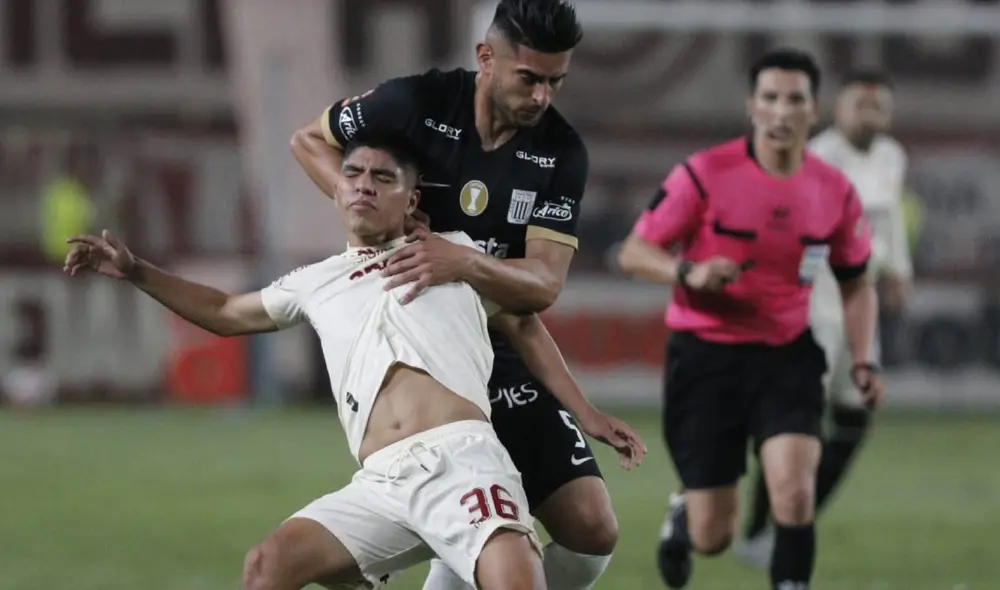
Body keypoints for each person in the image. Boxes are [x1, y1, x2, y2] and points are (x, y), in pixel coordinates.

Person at [62, 136, 642, 590]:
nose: (363, 186)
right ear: (337, 191)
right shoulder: (315, 281)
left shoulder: (452, 253)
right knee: (266, 565)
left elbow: (523, 320)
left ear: (411, 200)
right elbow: (224, 310)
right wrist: (138, 271)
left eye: (382, 177)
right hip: (381, 482)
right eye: (353, 175)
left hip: (465, 463)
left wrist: (585, 411)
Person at [291, 1, 643, 588]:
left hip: (501, 341)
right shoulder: (415, 104)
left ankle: (453, 567)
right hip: (422, 351)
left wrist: (466, 261)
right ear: (486, 57)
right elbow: (307, 140)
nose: (541, 97)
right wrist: (383, 220)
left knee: (591, 528)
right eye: (528, 78)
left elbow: (543, 285)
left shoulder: (560, 154)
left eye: (555, 81)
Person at [616, 48, 884, 590]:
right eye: (770, 98)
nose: (782, 111)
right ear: (751, 107)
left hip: (788, 354)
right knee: (714, 533)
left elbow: (857, 285)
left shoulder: (834, 192)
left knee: (794, 489)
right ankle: (684, 512)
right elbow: (634, 252)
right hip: (706, 357)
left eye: (795, 100)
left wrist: (862, 358)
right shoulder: (705, 173)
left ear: (814, 109)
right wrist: (687, 271)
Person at [737, 69, 911, 569]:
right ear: (840, 110)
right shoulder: (819, 157)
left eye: (878, 108)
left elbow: (890, 217)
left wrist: (899, 269)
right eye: (861, 105)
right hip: (818, 302)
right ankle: (759, 531)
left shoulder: (891, 157)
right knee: (799, 423)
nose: (869, 115)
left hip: (860, 300)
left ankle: (791, 521)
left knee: (855, 418)